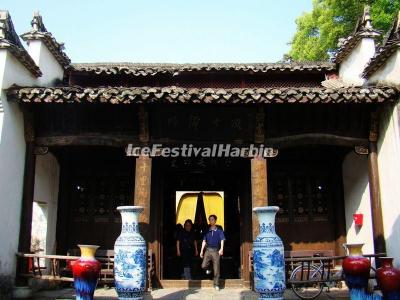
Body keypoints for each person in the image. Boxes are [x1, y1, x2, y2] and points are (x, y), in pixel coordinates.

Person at [200, 214, 225, 291]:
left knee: (216, 269)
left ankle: (216, 284)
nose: (211, 221)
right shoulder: (207, 231)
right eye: (210, 220)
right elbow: (204, 241)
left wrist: (221, 249)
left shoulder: (219, 230)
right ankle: (209, 268)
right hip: (208, 250)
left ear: (215, 220)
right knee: (203, 265)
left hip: (216, 251)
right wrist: (201, 251)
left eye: (212, 219)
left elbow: (222, 240)